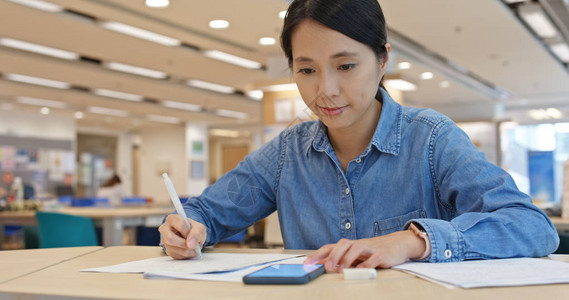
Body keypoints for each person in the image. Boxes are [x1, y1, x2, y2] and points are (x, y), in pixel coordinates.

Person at [159, 0, 559, 271]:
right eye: (307, 70)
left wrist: (412, 242)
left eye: (346, 66)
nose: (325, 90)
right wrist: (185, 228)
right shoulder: (286, 154)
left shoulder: (432, 140)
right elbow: (206, 213)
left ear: (383, 59)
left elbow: (532, 225)